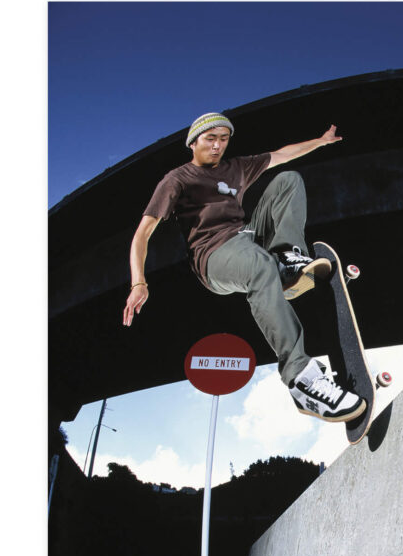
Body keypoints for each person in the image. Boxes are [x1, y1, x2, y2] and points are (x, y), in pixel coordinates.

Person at [123, 111, 365, 423]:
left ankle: (288, 258)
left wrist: (320, 142)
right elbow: (142, 234)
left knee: (288, 180)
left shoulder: (236, 167)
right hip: (213, 256)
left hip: (246, 236)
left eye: (223, 140)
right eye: (210, 139)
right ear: (193, 142)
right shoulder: (177, 179)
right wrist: (138, 282)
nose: (217, 146)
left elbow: (281, 154)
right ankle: (301, 380)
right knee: (260, 264)